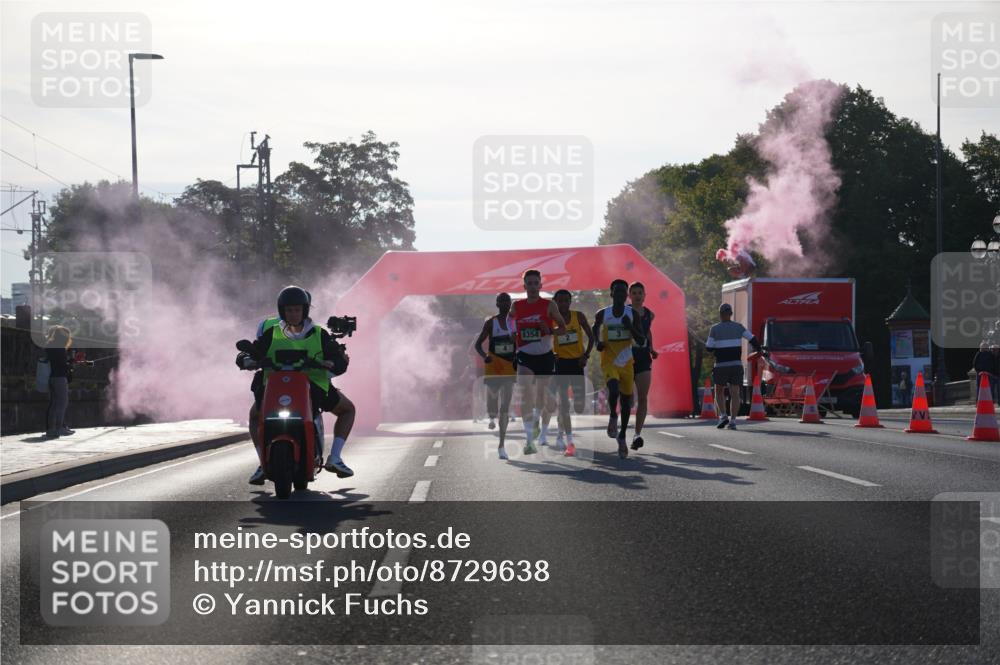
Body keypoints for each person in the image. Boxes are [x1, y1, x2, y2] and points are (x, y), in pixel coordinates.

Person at [239, 286, 356, 484]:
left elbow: (339, 359)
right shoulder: (271, 333)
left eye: (297, 310)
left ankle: (335, 458)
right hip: (274, 390)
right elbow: (253, 351)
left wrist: (334, 362)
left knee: (348, 410)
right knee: (254, 417)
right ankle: (262, 462)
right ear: (282, 311)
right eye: (289, 310)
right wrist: (246, 359)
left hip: (314, 389)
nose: (293, 314)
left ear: (305, 311)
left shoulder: (320, 334)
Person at [509, 269, 567, 455]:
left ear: (540, 285)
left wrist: (549, 330)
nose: (533, 287)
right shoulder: (516, 306)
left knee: (542, 398)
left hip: (544, 355)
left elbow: (563, 329)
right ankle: (529, 440)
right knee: (526, 393)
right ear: (524, 286)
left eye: (536, 283)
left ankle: (539, 426)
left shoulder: (549, 305)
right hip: (525, 355)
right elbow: (509, 322)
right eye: (530, 283)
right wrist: (512, 333)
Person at [593, 279, 645, 458]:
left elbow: (641, 340)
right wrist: (597, 342)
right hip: (609, 361)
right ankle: (613, 417)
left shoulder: (632, 314)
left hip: (627, 363)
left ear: (627, 295)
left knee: (626, 402)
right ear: (612, 294)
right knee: (613, 389)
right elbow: (594, 328)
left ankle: (622, 436)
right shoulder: (603, 313)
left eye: (624, 292)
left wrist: (629, 326)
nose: (621, 295)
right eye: (618, 291)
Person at [541, 289, 594, 457]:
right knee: (563, 403)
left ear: (570, 302)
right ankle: (564, 438)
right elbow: (543, 339)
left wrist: (586, 355)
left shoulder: (578, 316)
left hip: (577, 363)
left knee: (578, 406)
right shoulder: (551, 319)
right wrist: (551, 354)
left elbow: (591, 337)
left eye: (566, 300)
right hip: (560, 364)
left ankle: (563, 429)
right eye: (560, 301)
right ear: (555, 303)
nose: (563, 304)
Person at [705, 302, 765, 429]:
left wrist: (714, 346)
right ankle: (733, 421)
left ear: (720, 314)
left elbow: (709, 348)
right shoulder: (739, 327)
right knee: (735, 392)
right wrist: (759, 350)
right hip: (736, 365)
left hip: (721, 365)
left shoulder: (714, 329)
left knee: (719, 391)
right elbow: (752, 339)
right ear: (731, 314)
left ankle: (723, 415)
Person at [473, 293, 517, 459]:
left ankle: (501, 445)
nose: (505, 303)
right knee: (493, 401)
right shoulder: (491, 323)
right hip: (494, 367)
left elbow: (521, 343)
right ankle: (491, 415)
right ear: (497, 304)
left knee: (505, 406)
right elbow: (478, 345)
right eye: (502, 301)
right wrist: (485, 357)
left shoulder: (515, 322)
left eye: (508, 301)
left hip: (510, 368)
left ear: (510, 303)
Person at [43, 325, 94, 439]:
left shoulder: (50, 346)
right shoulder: (59, 348)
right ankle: (60, 427)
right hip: (60, 378)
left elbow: (58, 362)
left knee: (54, 404)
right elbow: (63, 365)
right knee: (62, 403)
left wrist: (72, 361)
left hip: (52, 377)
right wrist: (72, 364)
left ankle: (51, 429)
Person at [628, 281, 658, 450]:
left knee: (643, 396)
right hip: (626, 355)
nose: (638, 296)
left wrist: (652, 349)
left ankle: (637, 434)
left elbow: (647, 332)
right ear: (629, 296)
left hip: (643, 356)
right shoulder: (624, 312)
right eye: (634, 293)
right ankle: (622, 426)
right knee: (626, 397)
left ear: (644, 295)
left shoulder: (649, 314)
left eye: (640, 293)